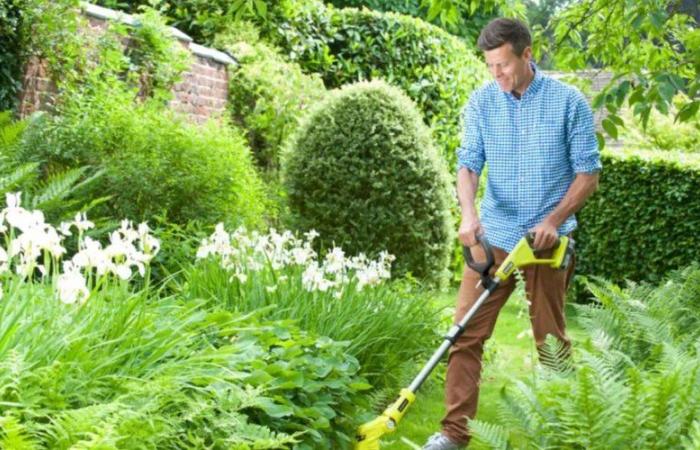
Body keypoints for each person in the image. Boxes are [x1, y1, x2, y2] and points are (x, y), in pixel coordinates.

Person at [422, 17, 602, 450]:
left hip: (544, 243)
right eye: (489, 66)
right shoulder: (483, 102)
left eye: (502, 65)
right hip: (496, 238)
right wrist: (468, 214)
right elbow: (467, 164)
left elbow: (588, 173)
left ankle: (563, 434)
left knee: (551, 342)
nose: (496, 74)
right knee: (465, 334)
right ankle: (453, 434)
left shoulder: (568, 102)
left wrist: (554, 220)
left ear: (527, 54)